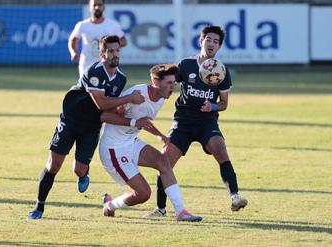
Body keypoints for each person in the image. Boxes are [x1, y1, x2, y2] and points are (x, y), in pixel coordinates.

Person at [27, 35, 144, 220]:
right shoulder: (94, 71)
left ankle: (84, 173)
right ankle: (38, 208)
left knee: (79, 170)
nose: (115, 55)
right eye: (111, 51)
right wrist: (128, 99)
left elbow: (111, 104)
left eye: (118, 50)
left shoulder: (121, 78)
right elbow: (101, 103)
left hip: (91, 127)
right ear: (101, 53)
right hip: (70, 120)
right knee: (54, 165)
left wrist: (120, 108)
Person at [144, 26, 248, 218]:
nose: (211, 44)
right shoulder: (187, 64)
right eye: (208, 39)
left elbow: (224, 104)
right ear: (201, 42)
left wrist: (213, 107)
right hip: (183, 122)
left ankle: (235, 196)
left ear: (219, 47)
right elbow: (168, 83)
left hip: (206, 122)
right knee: (164, 161)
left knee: (221, 149)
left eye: (216, 42)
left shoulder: (222, 72)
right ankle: (161, 209)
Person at [99, 64, 202, 222]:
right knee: (144, 194)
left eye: (174, 82)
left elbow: (143, 121)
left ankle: (181, 212)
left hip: (130, 141)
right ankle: (110, 205)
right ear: (156, 83)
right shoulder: (136, 93)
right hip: (114, 148)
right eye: (168, 83)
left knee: (163, 161)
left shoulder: (160, 99)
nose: (173, 86)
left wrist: (160, 136)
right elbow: (105, 116)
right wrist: (133, 121)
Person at [68, 0, 127, 77]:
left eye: (99, 5)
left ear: (104, 7)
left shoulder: (112, 25)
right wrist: (74, 53)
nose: (97, 7)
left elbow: (124, 41)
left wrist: (111, 44)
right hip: (87, 64)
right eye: (94, 5)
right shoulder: (82, 25)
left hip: (107, 64)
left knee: (106, 89)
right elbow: (73, 39)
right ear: (89, 8)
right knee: (87, 88)